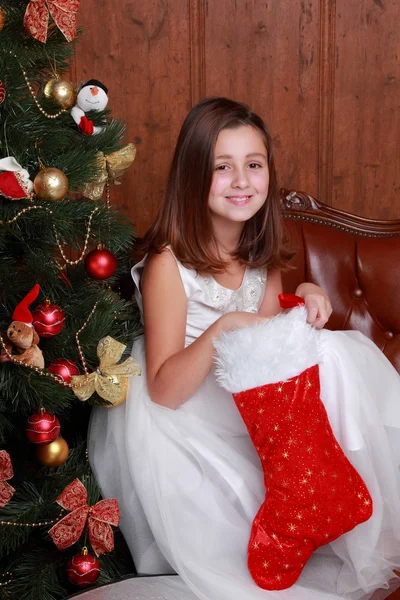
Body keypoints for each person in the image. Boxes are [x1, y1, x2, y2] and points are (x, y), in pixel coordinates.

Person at [88, 98, 400, 600]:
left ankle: (324, 494)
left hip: (251, 407)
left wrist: (301, 297)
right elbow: (166, 390)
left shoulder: (259, 254)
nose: (241, 181)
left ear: (268, 175)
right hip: (188, 408)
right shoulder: (170, 264)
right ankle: (310, 503)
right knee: (331, 357)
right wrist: (224, 328)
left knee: (333, 352)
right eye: (222, 167)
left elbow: (266, 339)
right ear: (193, 177)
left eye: (253, 165)